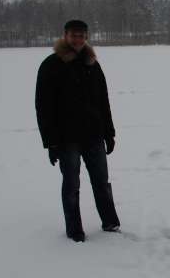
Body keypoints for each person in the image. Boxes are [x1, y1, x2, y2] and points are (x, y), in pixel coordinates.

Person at [35, 19, 120, 242]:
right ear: (65, 35)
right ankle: (75, 231)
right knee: (71, 184)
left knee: (102, 182)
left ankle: (110, 223)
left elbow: (103, 101)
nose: (78, 39)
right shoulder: (51, 65)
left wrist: (109, 133)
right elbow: (43, 107)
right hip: (66, 139)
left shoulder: (92, 63)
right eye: (74, 35)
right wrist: (50, 142)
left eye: (82, 35)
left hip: (94, 135)